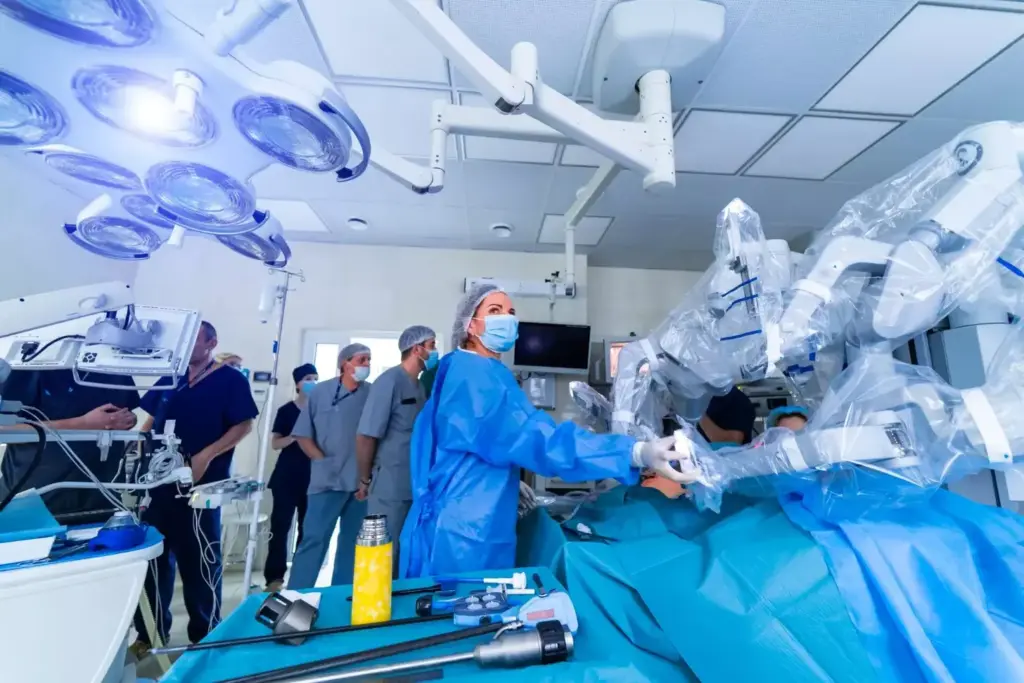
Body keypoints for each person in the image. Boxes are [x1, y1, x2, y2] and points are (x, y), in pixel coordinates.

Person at [399, 283, 694, 579]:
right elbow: (541, 440)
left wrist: (506, 478)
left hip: (466, 519)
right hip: (465, 537)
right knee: (464, 615)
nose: (508, 318)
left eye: (511, 312)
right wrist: (634, 451)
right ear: (470, 325)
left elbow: (473, 445)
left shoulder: (466, 368)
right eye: (494, 310)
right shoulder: (475, 376)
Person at [132, 321, 259, 649]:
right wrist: (138, 443)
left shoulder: (229, 380)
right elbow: (152, 416)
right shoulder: (171, 377)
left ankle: (205, 639)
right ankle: (150, 635)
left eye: (193, 340)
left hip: (200, 490)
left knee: (200, 564)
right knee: (154, 562)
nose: (185, 347)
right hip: (159, 485)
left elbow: (244, 424)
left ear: (212, 342)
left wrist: (206, 455)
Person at [0, 369, 138, 523]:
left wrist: (126, 420)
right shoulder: (30, 368)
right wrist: (84, 423)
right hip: (33, 500)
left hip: (100, 500)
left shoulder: (112, 367)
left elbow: (123, 414)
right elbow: (4, 428)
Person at [288, 344, 372, 588]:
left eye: (368, 360)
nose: (366, 364)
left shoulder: (371, 393)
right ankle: (295, 596)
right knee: (314, 539)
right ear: (345, 363)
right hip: (326, 480)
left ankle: (342, 598)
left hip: (360, 482)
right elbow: (303, 434)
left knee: (353, 545)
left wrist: (368, 477)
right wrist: (321, 460)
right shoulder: (321, 393)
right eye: (361, 359)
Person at [355, 325, 435, 571]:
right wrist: (365, 479)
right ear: (417, 348)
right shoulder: (389, 382)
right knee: (384, 554)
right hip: (389, 484)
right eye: (431, 346)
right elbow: (366, 435)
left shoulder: (419, 386)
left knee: (407, 552)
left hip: (414, 483)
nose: (434, 352)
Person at [263, 363, 318, 592]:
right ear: (297, 383)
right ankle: (274, 578)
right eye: (308, 378)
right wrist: (295, 436)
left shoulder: (320, 411)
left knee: (307, 530)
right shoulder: (286, 411)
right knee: (280, 528)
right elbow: (275, 443)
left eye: (315, 377)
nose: (312, 382)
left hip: (313, 478)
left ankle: (301, 578)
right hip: (286, 478)